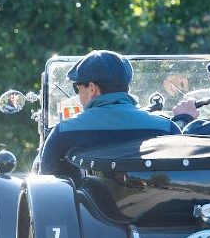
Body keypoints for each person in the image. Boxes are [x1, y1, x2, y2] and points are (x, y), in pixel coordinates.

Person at [38, 50, 180, 175]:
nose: (77, 95)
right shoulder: (166, 128)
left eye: (77, 88)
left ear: (92, 88)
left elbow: (47, 184)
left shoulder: (64, 132)